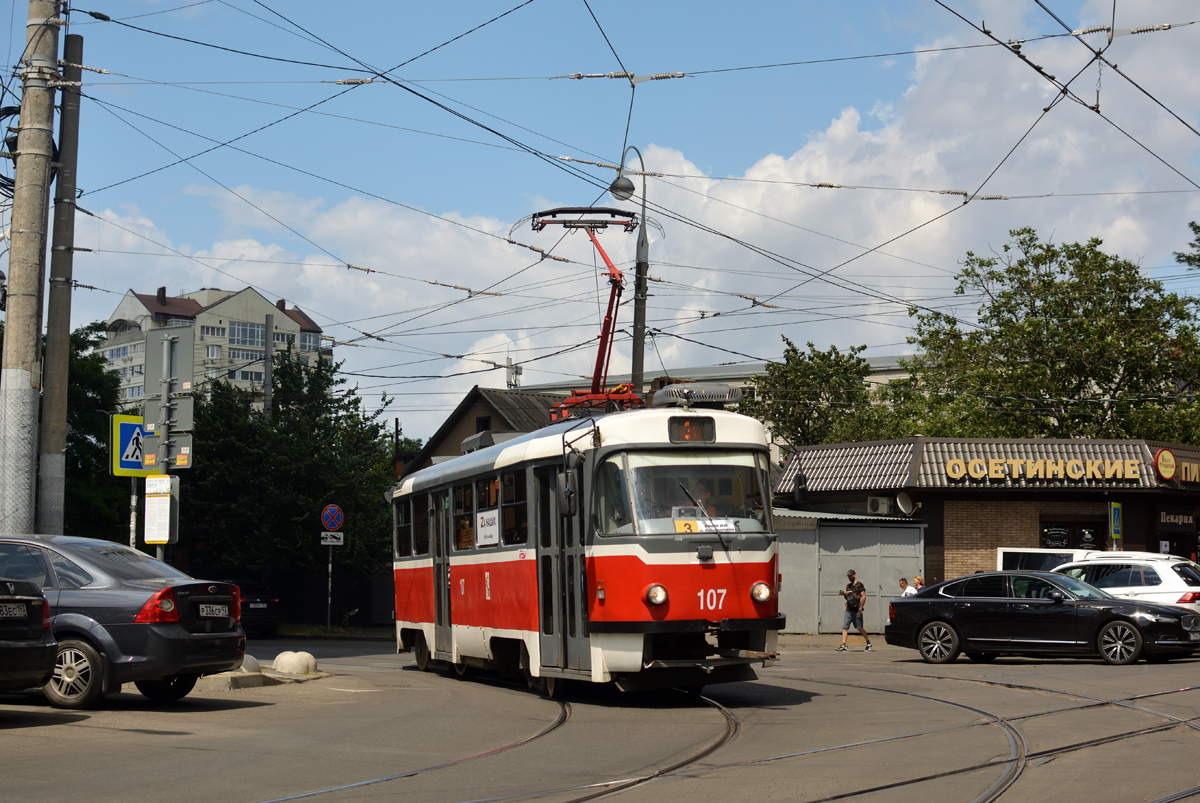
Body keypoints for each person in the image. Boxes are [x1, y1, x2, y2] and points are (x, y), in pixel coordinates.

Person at [837, 569, 871, 651]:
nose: (849, 577)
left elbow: (864, 596)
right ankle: (844, 644)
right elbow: (848, 598)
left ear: (854, 575)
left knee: (859, 628)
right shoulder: (848, 586)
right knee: (845, 626)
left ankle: (868, 643)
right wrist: (844, 594)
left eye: (851, 576)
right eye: (848, 576)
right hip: (849, 609)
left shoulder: (860, 585)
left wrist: (860, 609)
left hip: (856, 610)